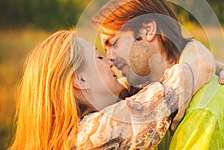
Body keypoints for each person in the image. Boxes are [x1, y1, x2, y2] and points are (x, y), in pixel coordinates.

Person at [92, 0, 224, 149]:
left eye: (113, 43)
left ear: (148, 30)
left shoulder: (202, 110)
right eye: (104, 51)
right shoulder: (150, 97)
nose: (109, 59)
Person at [9, 30, 197, 149]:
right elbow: (173, 89)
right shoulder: (89, 137)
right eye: (99, 58)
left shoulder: (66, 135)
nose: (109, 61)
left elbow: (130, 88)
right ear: (81, 80)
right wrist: (196, 54)